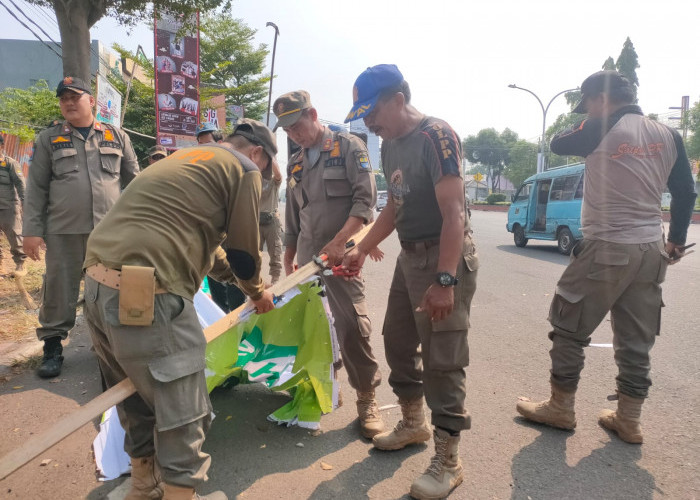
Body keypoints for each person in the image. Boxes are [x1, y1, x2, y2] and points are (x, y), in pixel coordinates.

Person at [82, 120, 277, 500]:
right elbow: (243, 251)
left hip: (96, 285)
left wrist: (237, 280)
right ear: (258, 153)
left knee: (132, 394)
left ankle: (143, 484)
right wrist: (256, 292)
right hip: (147, 294)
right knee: (183, 408)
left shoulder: (186, 158)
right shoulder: (245, 169)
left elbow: (214, 250)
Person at [516, 70, 697, 444]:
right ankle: (629, 421)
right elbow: (685, 191)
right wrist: (676, 241)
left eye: (590, 103)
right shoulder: (669, 135)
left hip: (607, 246)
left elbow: (556, 142)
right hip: (651, 249)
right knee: (635, 341)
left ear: (600, 99)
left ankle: (561, 408)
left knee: (569, 327)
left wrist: (595, 118)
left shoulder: (598, 128)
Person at [342, 64, 479, 500]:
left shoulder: (436, 137)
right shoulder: (389, 146)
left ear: (398, 99)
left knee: (443, 358)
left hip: (442, 256)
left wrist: (445, 279)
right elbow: (392, 209)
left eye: (373, 111)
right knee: (397, 340)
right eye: (362, 115)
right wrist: (362, 246)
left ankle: (448, 460)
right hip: (409, 256)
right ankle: (413, 423)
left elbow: (455, 214)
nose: (369, 123)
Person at [273, 90, 385, 439]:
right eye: (287, 130)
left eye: (297, 125)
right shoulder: (295, 162)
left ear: (313, 114)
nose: (294, 134)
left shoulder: (349, 147)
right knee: (309, 328)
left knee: (352, 326)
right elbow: (294, 215)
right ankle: (314, 389)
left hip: (342, 257)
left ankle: (367, 399)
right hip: (307, 261)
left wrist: (340, 243)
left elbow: (366, 203)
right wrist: (289, 254)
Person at [23, 76, 139, 378]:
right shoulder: (48, 139)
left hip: (109, 232)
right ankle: (52, 347)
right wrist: (31, 231)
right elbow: (36, 189)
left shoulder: (117, 136)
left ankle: (111, 346)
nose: (69, 103)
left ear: (91, 100)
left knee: (112, 289)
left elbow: (136, 183)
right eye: (64, 99)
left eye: (75, 97)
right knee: (59, 288)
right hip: (64, 230)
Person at [195, 121, 246, 312]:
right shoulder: (197, 169)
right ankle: (221, 317)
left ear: (220, 142)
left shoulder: (234, 166)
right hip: (210, 237)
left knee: (236, 284)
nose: (205, 149)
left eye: (209, 143)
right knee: (216, 285)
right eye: (201, 145)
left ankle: (237, 320)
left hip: (232, 237)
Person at [0, 135, 27, 274]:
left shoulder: (10, 163)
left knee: (15, 236)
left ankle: (20, 264)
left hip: (8, 207)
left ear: (2, 146)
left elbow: (20, 184)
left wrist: (24, 202)